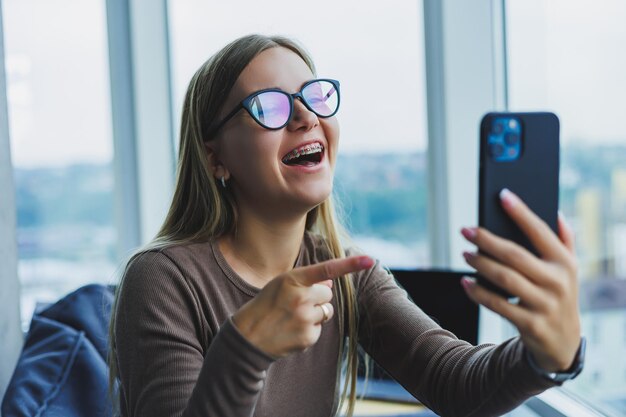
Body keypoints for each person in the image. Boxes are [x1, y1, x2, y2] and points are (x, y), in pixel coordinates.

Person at [108, 34, 584, 417]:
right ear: (216, 157)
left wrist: (547, 356)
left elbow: (455, 382)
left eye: (314, 96)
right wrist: (245, 349)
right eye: (269, 106)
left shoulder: (347, 274)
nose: (306, 116)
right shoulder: (161, 280)